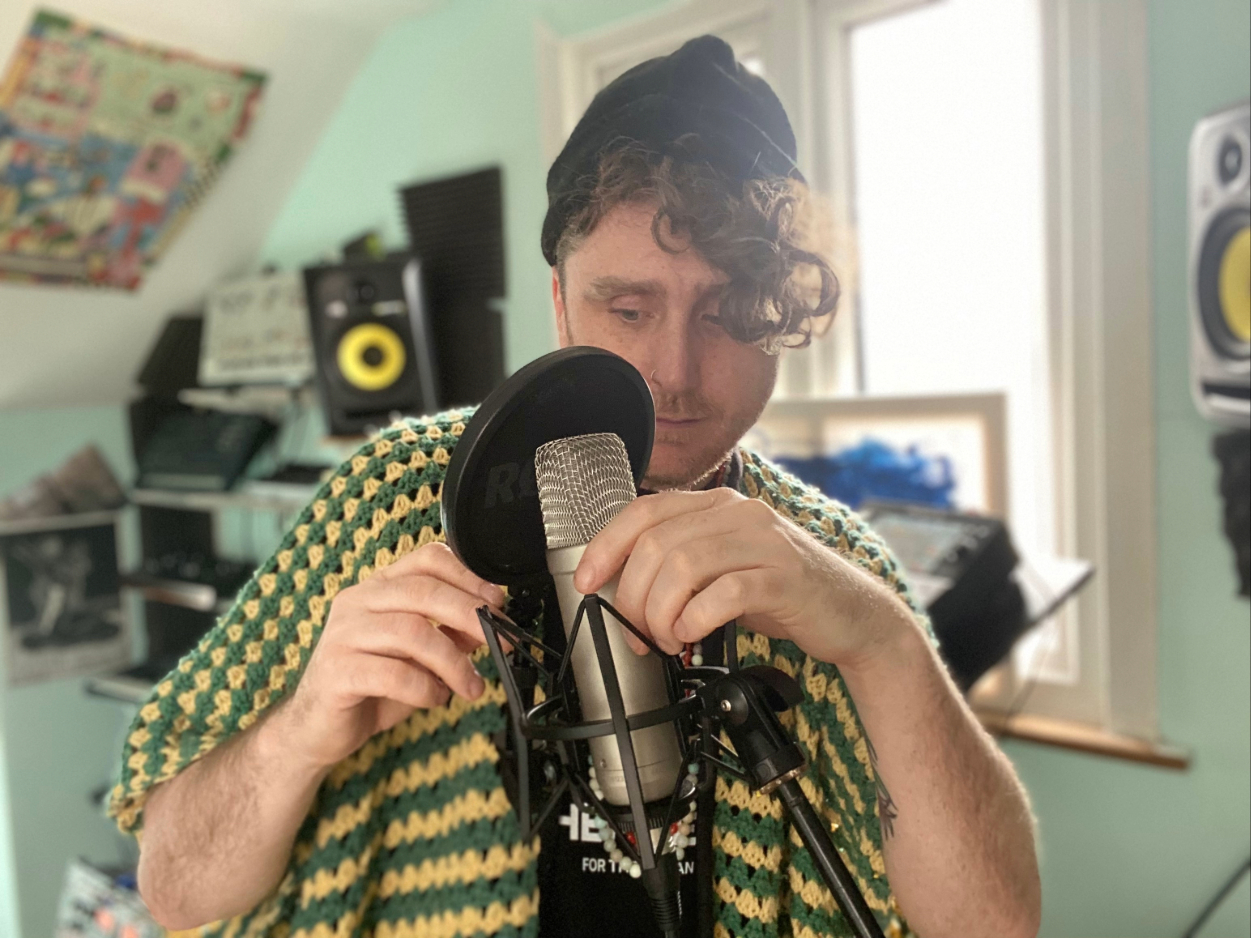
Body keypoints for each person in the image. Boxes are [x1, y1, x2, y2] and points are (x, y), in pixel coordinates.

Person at [113, 36, 1041, 938]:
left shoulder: (832, 564)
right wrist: (299, 733)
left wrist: (882, 642)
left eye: (725, 317)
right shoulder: (392, 499)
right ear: (559, 303)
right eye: (627, 308)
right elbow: (175, 887)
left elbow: (996, 927)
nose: (672, 371)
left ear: (781, 322)